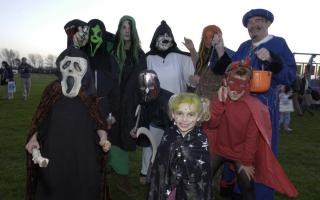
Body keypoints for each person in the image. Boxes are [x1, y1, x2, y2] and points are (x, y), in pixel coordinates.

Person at [211, 8, 297, 199]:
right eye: (250, 22)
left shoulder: (278, 43)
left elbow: (291, 75)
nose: (254, 25)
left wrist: (273, 59)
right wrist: (219, 49)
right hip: (236, 108)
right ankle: (235, 189)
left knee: (258, 152)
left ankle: (258, 194)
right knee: (232, 145)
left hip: (262, 110)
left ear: (268, 23)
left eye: (259, 21)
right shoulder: (244, 46)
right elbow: (229, 69)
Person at [25, 47, 111, 200]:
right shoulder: (52, 91)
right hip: (54, 158)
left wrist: (103, 138)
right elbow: (41, 120)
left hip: (83, 159)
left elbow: (99, 124)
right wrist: (33, 138)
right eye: (67, 64)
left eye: (77, 65)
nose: (71, 69)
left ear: (85, 70)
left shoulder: (90, 96)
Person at [206, 63, 298, 199]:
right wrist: (219, 103)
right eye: (233, 83)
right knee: (203, 177)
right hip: (219, 148)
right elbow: (212, 124)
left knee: (246, 185)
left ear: (248, 86)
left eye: (242, 85)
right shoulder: (219, 99)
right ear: (225, 82)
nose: (236, 90)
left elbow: (252, 138)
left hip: (240, 152)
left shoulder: (253, 107)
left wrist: (247, 162)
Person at [143, 20, 195, 184]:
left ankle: (174, 175)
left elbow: (191, 80)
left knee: (175, 143)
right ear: (155, 38)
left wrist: (193, 52)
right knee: (152, 140)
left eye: (167, 35)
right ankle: (147, 172)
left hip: (176, 109)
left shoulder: (182, 57)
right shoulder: (148, 58)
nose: (164, 38)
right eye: (161, 35)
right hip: (153, 107)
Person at [108, 15, 147, 197]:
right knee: (108, 135)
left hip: (130, 104)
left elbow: (142, 82)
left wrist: (140, 104)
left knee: (123, 140)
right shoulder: (112, 52)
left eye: (129, 27)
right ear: (119, 29)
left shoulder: (139, 54)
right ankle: (113, 172)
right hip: (111, 102)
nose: (126, 30)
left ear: (134, 30)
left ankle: (122, 179)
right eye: (123, 27)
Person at [147, 92, 212, 200]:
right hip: (168, 189)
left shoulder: (201, 140)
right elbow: (161, 164)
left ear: (199, 116)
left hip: (191, 191)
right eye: (179, 113)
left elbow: (202, 173)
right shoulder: (169, 134)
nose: (184, 119)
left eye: (190, 114)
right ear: (172, 114)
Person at [129, 70, 173, 185]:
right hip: (151, 122)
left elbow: (172, 122)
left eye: (150, 86)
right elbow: (140, 111)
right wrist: (136, 128)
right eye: (143, 87)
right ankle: (145, 172)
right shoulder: (140, 94)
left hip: (165, 124)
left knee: (165, 149)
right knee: (148, 146)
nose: (147, 90)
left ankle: (164, 173)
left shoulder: (168, 99)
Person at [183, 25, 234, 99]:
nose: (208, 40)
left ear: (218, 36)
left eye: (212, 37)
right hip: (201, 98)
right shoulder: (206, 53)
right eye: (206, 37)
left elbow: (226, 80)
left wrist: (200, 80)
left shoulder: (226, 55)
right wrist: (192, 49)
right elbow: (200, 67)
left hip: (217, 101)